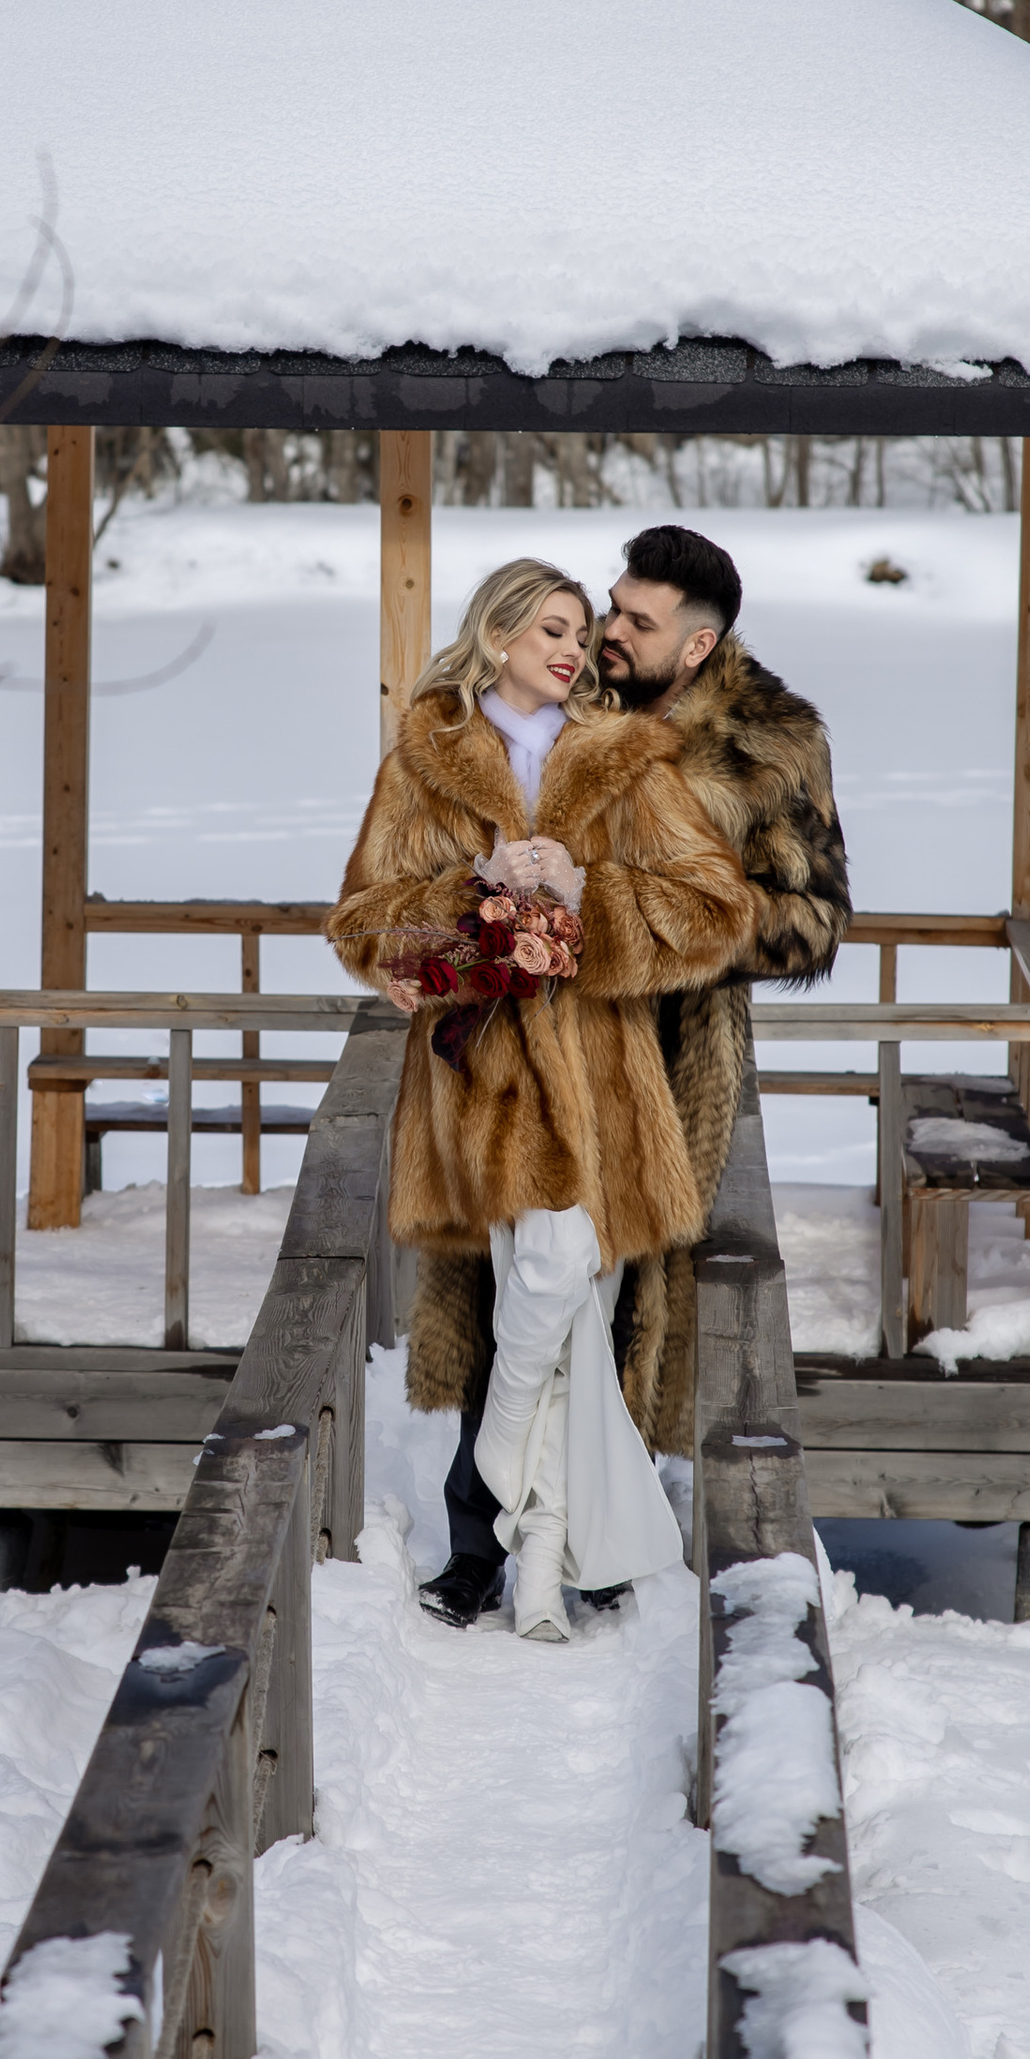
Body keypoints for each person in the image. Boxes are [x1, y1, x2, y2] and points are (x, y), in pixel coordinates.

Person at [410, 525, 851, 1625]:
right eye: (608, 607)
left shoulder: (771, 746)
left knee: (616, 1310)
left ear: (696, 649)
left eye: (635, 622)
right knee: (502, 1289)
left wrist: (629, 912)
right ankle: (478, 1547)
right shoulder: (568, 706)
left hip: (665, 1057)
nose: (608, 631)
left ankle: (584, 1554)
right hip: (528, 1042)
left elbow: (809, 923)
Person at [327, 557, 762, 1640]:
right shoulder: (426, 763)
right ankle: (509, 1556)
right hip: (479, 1085)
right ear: (498, 634)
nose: (575, 650)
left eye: (582, 632)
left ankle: (527, 1523)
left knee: (575, 1304)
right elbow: (361, 924)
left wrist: (588, 895)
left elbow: (717, 910)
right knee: (522, 1303)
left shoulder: (621, 759)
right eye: (553, 630)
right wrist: (467, 895)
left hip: (604, 1084)